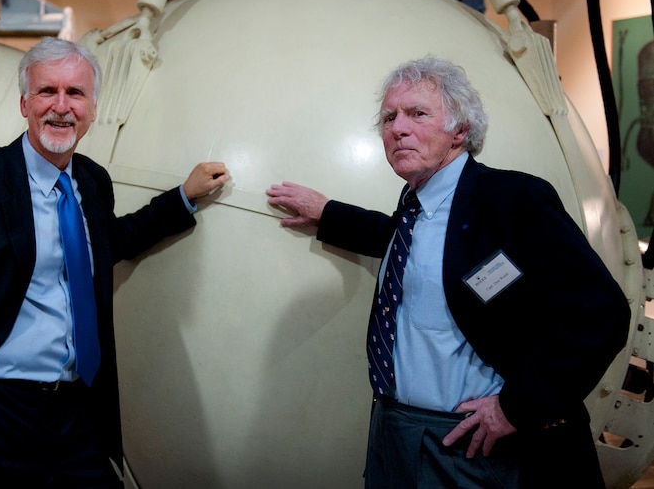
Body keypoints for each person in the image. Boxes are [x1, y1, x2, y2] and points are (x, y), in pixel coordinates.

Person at [0, 37, 230, 488]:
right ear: (25, 103)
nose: (61, 107)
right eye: (47, 92)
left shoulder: (93, 181)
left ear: (92, 109)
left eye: (75, 93)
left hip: (77, 411)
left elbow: (107, 243)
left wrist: (183, 197)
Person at [266, 56, 630, 488]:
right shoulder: (414, 210)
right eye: (389, 117)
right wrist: (329, 214)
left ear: (460, 131)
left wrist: (516, 407)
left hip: (475, 445)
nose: (397, 127)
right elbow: (425, 253)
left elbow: (601, 313)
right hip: (394, 433)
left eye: (417, 114)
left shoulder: (513, 198)